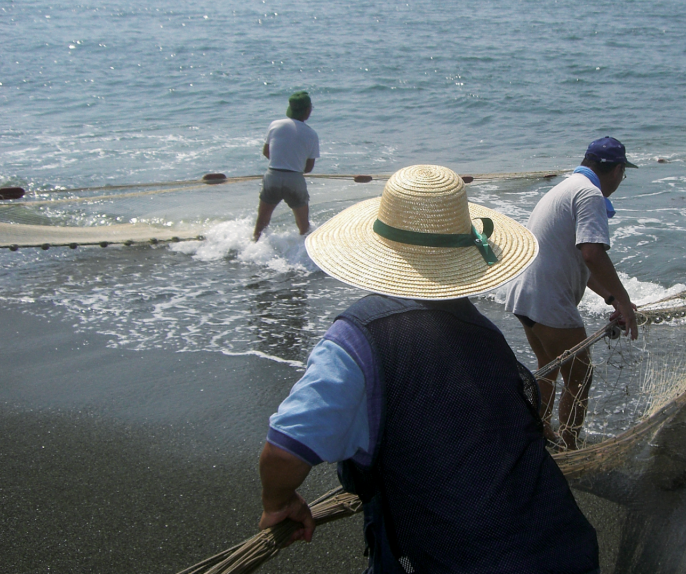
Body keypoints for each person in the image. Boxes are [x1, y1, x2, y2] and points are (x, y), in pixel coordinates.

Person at [258, 164, 599, 573]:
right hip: (565, 548)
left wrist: (278, 503)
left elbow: (284, 451)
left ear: (375, 251)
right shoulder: (485, 334)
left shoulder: (359, 339)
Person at [502, 136, 639, 450]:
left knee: (547, 367)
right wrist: (627, 305)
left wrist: (613, 298)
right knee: (580, 377)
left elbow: (580, 261)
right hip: (548, 301)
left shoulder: (568, 186)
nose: (621, 180)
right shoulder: (590, 194)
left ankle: (536, 433)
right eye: (623, 174)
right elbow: (592, 254)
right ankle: (570, 446)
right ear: (617, 171)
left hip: (524, 294)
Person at [252, 91, 320, 241]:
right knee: (303, 227)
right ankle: (303, 257)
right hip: (295, 180)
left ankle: (252, 252)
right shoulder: (312, 134)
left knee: (261, 223)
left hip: (273, 176)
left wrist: (282, 160)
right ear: (308, 110)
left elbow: (266, 152)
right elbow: (308, 169)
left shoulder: (275, 125)